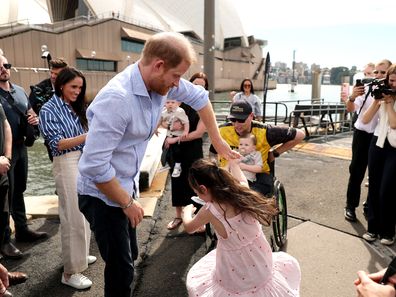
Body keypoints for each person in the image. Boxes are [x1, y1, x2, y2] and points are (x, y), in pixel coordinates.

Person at [77, 32, 238, 297]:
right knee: (121, 269)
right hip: (101, 194)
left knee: (131, 255)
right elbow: (94, 166)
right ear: (159, 65)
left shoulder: (161, 83)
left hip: (125, 184)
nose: (178, 84)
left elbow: (201, 98)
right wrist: (127, 204)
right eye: (176, 76)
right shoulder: (117, 99)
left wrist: (219, 142)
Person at [183, 158, 301, 296]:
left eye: (197, 193)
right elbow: (241, 178)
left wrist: (186, 213)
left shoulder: (210, 210)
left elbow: (189, 227)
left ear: (203, 189)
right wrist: (233, 162)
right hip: (260, 259)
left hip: (234, 268)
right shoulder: (242, 192)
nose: (198, 196)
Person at [39, 67, 95, 289]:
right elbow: (57, 144)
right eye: (73, 87)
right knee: (72, 216)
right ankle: (70, 272)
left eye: (80, 88)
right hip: (66, 160)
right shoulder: (48, 109)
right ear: (61, 85)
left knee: (84, 211)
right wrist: (89, 135)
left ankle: (80, 257)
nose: (77, 91)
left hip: (81, 159)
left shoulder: (75, 106)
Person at [0, 55, 47, 260]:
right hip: (3, 152)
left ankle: (22, 229)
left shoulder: (18, 91)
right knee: (4, 197)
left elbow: (30, 112)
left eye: (6, 65)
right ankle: (4, 241)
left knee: (19, 190)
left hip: (21, 148)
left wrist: (34, 119)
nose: (3, 69)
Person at [210, 101, 305, 196]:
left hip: (257, 174)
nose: (236, 124)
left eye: (241, 120)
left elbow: (300, 134)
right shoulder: (221, 130)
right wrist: (214, 167)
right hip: (228, 174)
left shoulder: (266, 131)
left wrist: (274, 153)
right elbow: (213, 152)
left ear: (251, 116)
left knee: (249, 196)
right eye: (233, 120)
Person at [343, 60, 391, 222]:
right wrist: (352, 96)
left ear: (389, 74)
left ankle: (369, 205)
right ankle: (350, 206)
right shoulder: (365, 89)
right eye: (374, 72)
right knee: (356, 171)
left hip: (381, 136)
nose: (377, 76)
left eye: (382, 73)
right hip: (362, 134)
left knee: (376, 175)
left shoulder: (390, 91)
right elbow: (350, 109)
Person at [165, 72, 208, 231]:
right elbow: (166, 123)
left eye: (202, 86)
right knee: (177, 181)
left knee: (196, 183)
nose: (198, 88)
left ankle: (197, 219)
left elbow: (198, 133)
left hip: (193, 150)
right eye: (195, 84)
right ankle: (178, 216)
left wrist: (176, 137)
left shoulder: (204, 106)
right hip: (176, 151)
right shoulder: (178, 102)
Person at [361, 64, 396, 245]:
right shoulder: (383, 94)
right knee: (374, 187)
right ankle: (372, 228)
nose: (393, 84)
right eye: (391, 80)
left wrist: (390, 104)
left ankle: (388, 231)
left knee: (387, 190)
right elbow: (365, 120)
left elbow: (394, 123)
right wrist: (377, 100)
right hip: (378, 143)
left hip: (394, 148)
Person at [157, 99, 189, 178]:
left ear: (177, 103)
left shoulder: (180, 111)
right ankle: (167, 163)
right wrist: (155, 129)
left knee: (177, 151)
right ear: (165, 104)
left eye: (172, 102)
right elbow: (159, 120)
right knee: (164, 147)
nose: (170, 104)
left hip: (178, 134)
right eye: (168, 102)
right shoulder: (164, 112)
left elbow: (186, 122)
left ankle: (177, 166)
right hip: (169, 134)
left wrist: (185, 131)